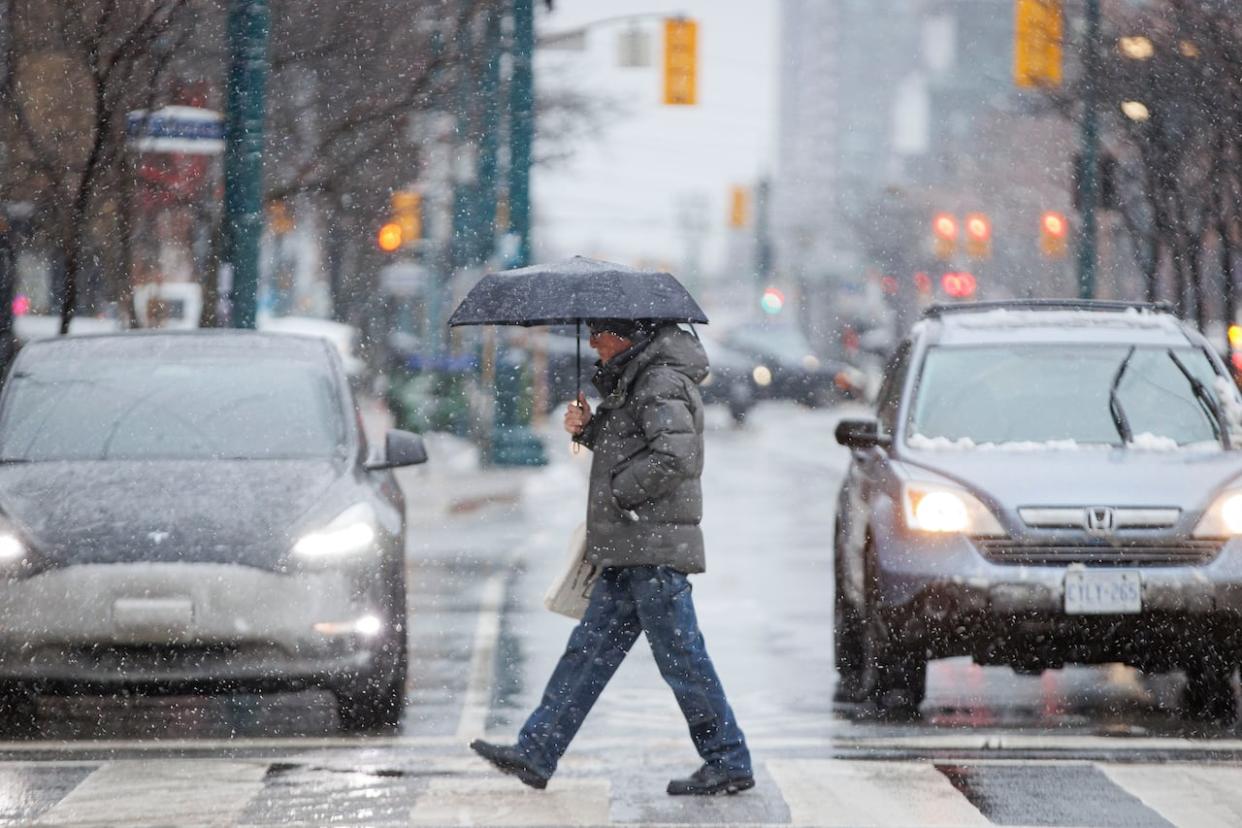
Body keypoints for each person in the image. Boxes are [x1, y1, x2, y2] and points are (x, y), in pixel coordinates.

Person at [470, 318, 753, 796]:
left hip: (652, 547)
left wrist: (620, 493)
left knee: (681, 658)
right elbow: (636, 443)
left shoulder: (658, 380)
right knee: (589, 653)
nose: (592, 342)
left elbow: (674, 455)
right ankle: (538, 750)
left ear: (626, 335)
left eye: (599, 333)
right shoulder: (639, 378)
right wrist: (591, 429)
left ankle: (727, 758)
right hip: (631, 547)